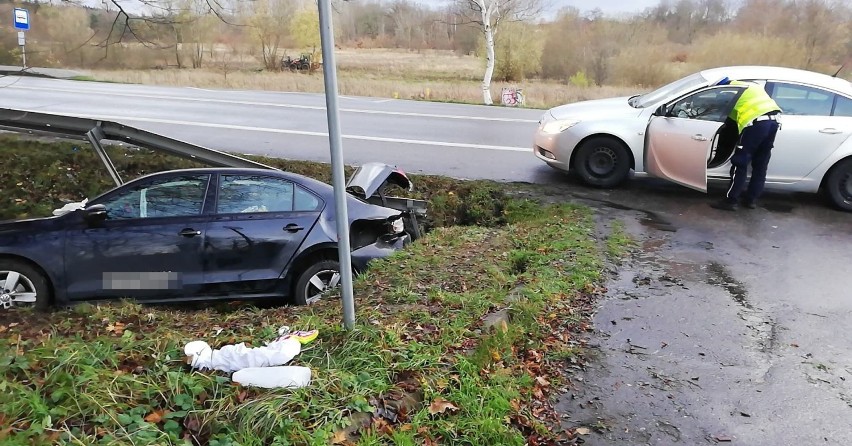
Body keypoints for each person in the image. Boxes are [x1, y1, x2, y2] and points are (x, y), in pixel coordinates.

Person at [710, 77, 782, 211]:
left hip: (757, 125)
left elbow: (729, 124)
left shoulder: (732, 92)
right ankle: (751, 200)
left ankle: (730, 201)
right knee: (761, 164)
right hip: (774, 122)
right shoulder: (749, 87)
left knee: (740, 162)